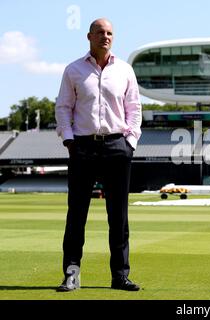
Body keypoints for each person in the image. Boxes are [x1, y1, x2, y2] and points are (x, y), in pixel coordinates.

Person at [55, 18, 142, 292]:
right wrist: (69, 141)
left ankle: (120, 276)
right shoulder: (73, 70)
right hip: (83, 148)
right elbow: (63, 107)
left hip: (117, 147)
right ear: (89, 36)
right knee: (76, 214)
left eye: (110, 33)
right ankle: (71, 273)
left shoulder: (125, 70)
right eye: (100, 32)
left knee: (119, 217)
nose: (106, 37)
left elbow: (134, 109)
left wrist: (130, 142)